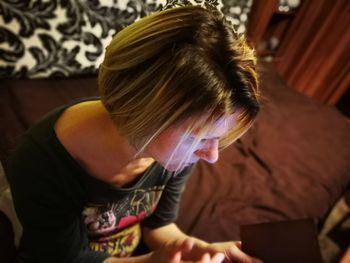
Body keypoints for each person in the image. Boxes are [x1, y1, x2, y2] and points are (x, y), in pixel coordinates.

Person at [7, 5, 261, 263]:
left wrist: (190, 250)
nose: (212, 155)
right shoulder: (40, 164)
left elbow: (158, 225)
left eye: (218, 138)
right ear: (147, 112)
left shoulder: (175, 152)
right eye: (199, 137)